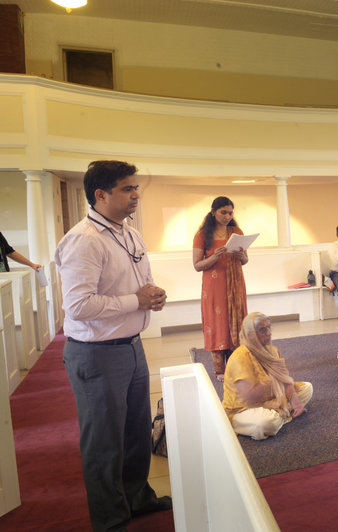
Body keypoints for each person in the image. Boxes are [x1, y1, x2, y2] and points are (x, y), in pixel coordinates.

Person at [54, 160, 171, 531]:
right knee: (105, 443)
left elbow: (140, 281)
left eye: (136, 187)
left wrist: (152, 294)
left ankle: (137, 499)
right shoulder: (83, 240)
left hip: (130, 346)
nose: (135, 194)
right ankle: (110, 521)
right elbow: (77, 305)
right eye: (126, 188)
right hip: (96, 353)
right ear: (100, 195)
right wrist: (136, 301)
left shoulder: (129, 233)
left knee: (135, 433)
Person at [222, 312, 312, 439]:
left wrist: (295, 400)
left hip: (270, 399)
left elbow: (285, 379)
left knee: (307, 388)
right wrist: (272, 381)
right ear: (250, 335)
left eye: (269, 328)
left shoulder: (272, 350)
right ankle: (279, 414)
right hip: (242, 408)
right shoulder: (240, 357)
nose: (269, 333)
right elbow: (249, 397)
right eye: (262, 330)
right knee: (268, 423)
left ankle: (281, 411)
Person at [193, 196, 249, 381]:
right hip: (214, 287)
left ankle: (236, 366)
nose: (227, 216)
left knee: (237, 322)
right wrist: (214, 258)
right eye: (223, 212)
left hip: (236, 285)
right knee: (218, 324)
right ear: (213, 212)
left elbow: (245, 260)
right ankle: (220, 370)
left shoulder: (236, 231)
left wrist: (241, 255)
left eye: (230, 212)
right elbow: (197, 265)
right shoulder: (202, 235)